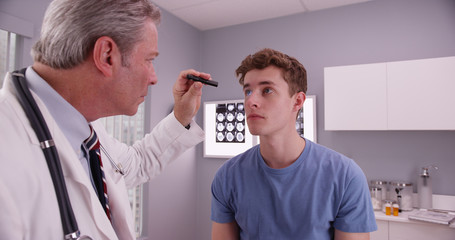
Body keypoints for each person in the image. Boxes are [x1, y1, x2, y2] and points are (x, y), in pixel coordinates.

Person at [0, 0, 212, 239]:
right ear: (107, 55)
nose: (154, 78)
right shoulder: (7, 159)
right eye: (149, 60)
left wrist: (180, 117)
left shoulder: (85, 131)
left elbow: (136, 164)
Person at [210, 48, 377, 240]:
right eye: (248, 91)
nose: (251, 101)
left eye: (267, 90)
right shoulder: (227, 176)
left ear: (297, 101)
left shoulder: (346, 176)